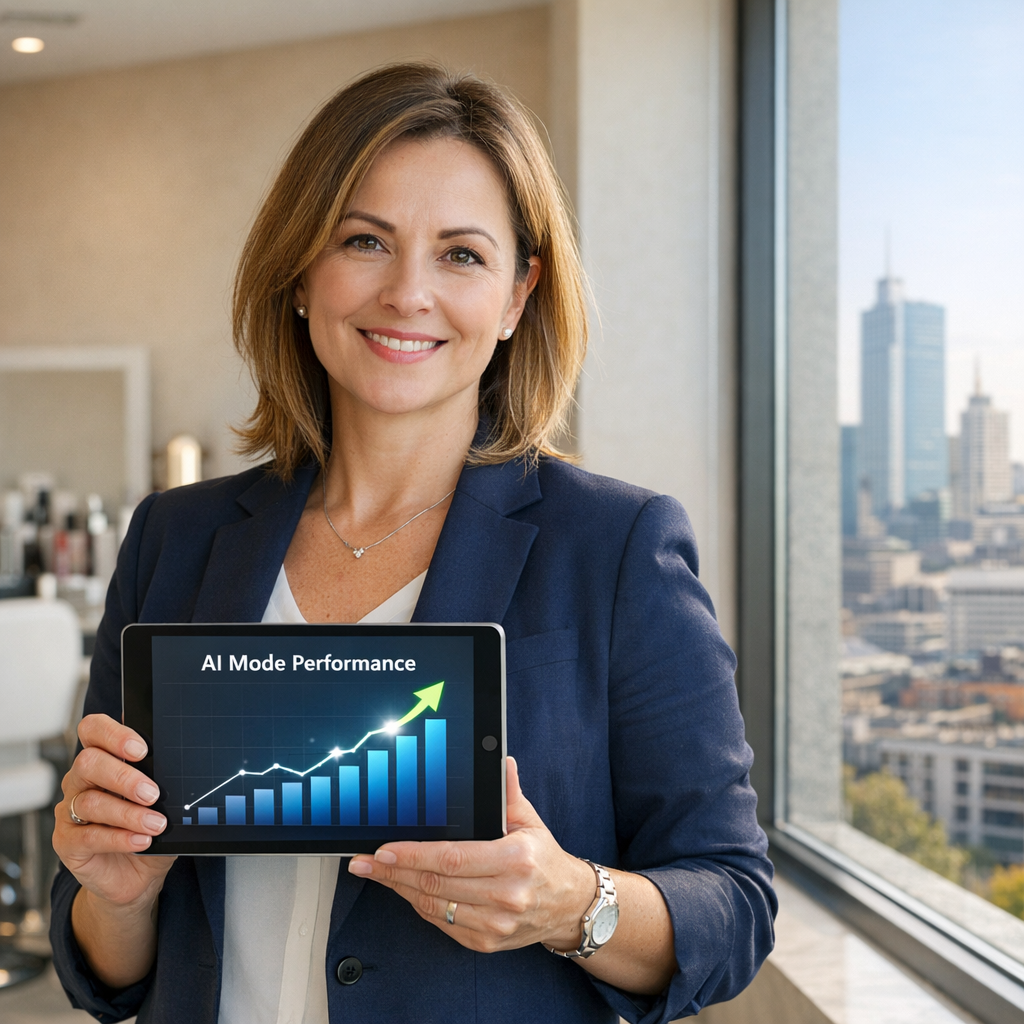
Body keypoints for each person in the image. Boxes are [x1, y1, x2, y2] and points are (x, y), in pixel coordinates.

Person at [49, 63, 776, 1024]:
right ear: (301, 273)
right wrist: (114, 890)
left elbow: (733, 905)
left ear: (520, 295)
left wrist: (570, 905)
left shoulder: (616, 547)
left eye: (461, 255)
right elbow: (107, 963)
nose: (407, 292)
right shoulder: (173, 539)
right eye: (365, 241)